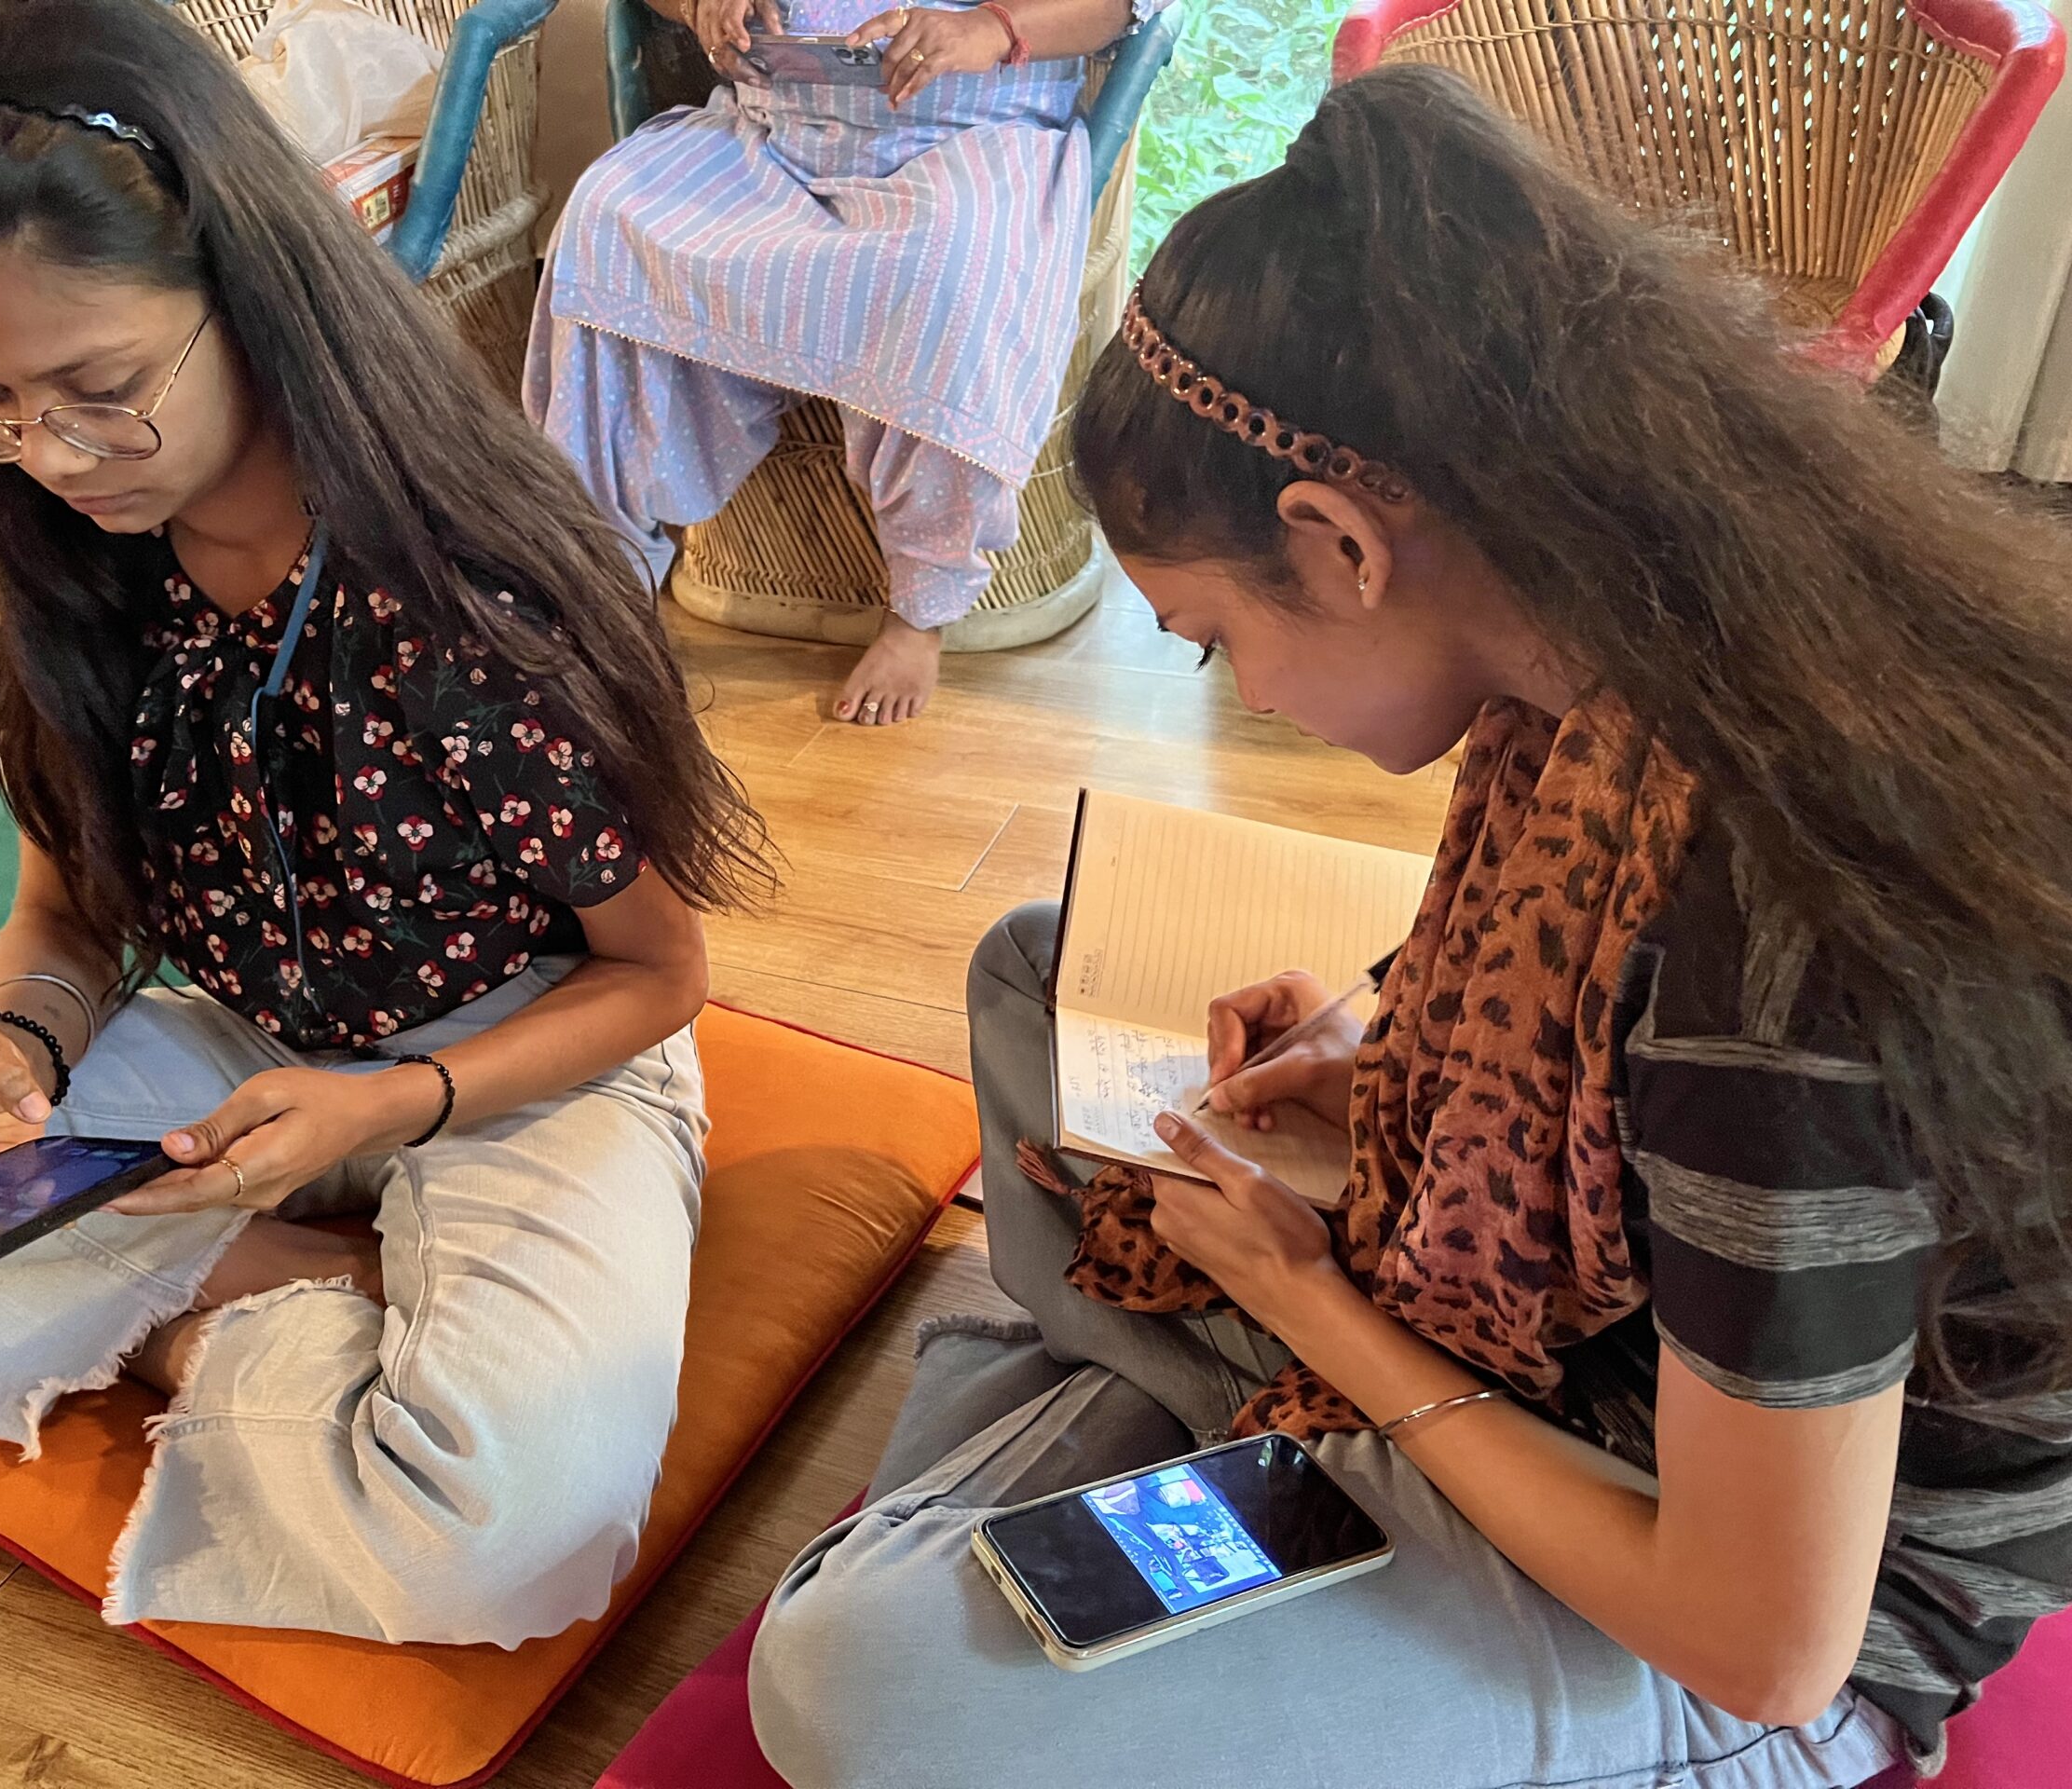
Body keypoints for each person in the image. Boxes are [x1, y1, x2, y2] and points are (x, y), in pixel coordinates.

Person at [746, 64, 2072, 1786]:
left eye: (1211, 638)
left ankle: (1155, 1435)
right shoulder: (1631, 639)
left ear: (1345, 542)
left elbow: (1764, 1642)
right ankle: (1197, 1447)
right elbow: (1574, 1022)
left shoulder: (1777, 957)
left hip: (1719, 1589)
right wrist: (1389, 1045)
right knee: (1035, 968)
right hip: (1572, 1364)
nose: (1241, 686)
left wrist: (1321, 1318)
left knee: (860, 1687)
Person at [0, 0, 771, 1646]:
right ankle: (287, 1297)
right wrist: (9, 1052)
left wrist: (392, 1106)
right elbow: (68, 920)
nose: (47, 454)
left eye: (97, 386)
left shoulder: (472, 596)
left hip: (519, 1058)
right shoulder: (63, 577)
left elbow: (654, 975)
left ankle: (136, 1307)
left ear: (252, 287)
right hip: (231, 1044)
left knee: (499, 1544)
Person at [525, 0, 1170, 727]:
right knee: (607, 221)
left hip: (976, 137)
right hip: (769, 132)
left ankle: (921, 611)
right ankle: (605, 578)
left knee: (953, 285)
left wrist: (989, 29)